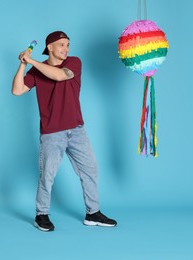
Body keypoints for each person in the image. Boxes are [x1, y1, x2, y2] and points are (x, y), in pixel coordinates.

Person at [11, 31, 117, 232]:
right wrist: (23, 64)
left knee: (90, 170)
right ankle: (41, 215)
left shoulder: (74, 63)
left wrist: (32, 61)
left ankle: (92, 213)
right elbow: (17, 90)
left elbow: (59, 76)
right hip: (52, 133)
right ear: (49, 47)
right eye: (61, 45)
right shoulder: (36, 71)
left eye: (68, 44)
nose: (66, 49)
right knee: (47, 176)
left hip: (77, 130)